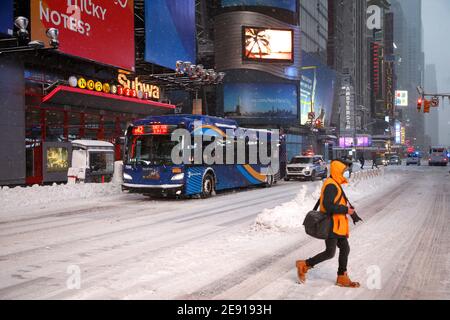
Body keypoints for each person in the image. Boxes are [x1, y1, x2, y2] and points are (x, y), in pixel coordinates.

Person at [296, 159, 363, 288]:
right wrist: (346, 210)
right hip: (332, 225)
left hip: (338, 225)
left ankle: (342, 276)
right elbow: (328, 206)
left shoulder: (334, 183)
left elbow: (340, 202)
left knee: (344, 248)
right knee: (330, 252)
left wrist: (352, 214)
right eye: (343, 171)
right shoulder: (331, 185)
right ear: (337, 171)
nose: (345, 174)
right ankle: (304, 264)